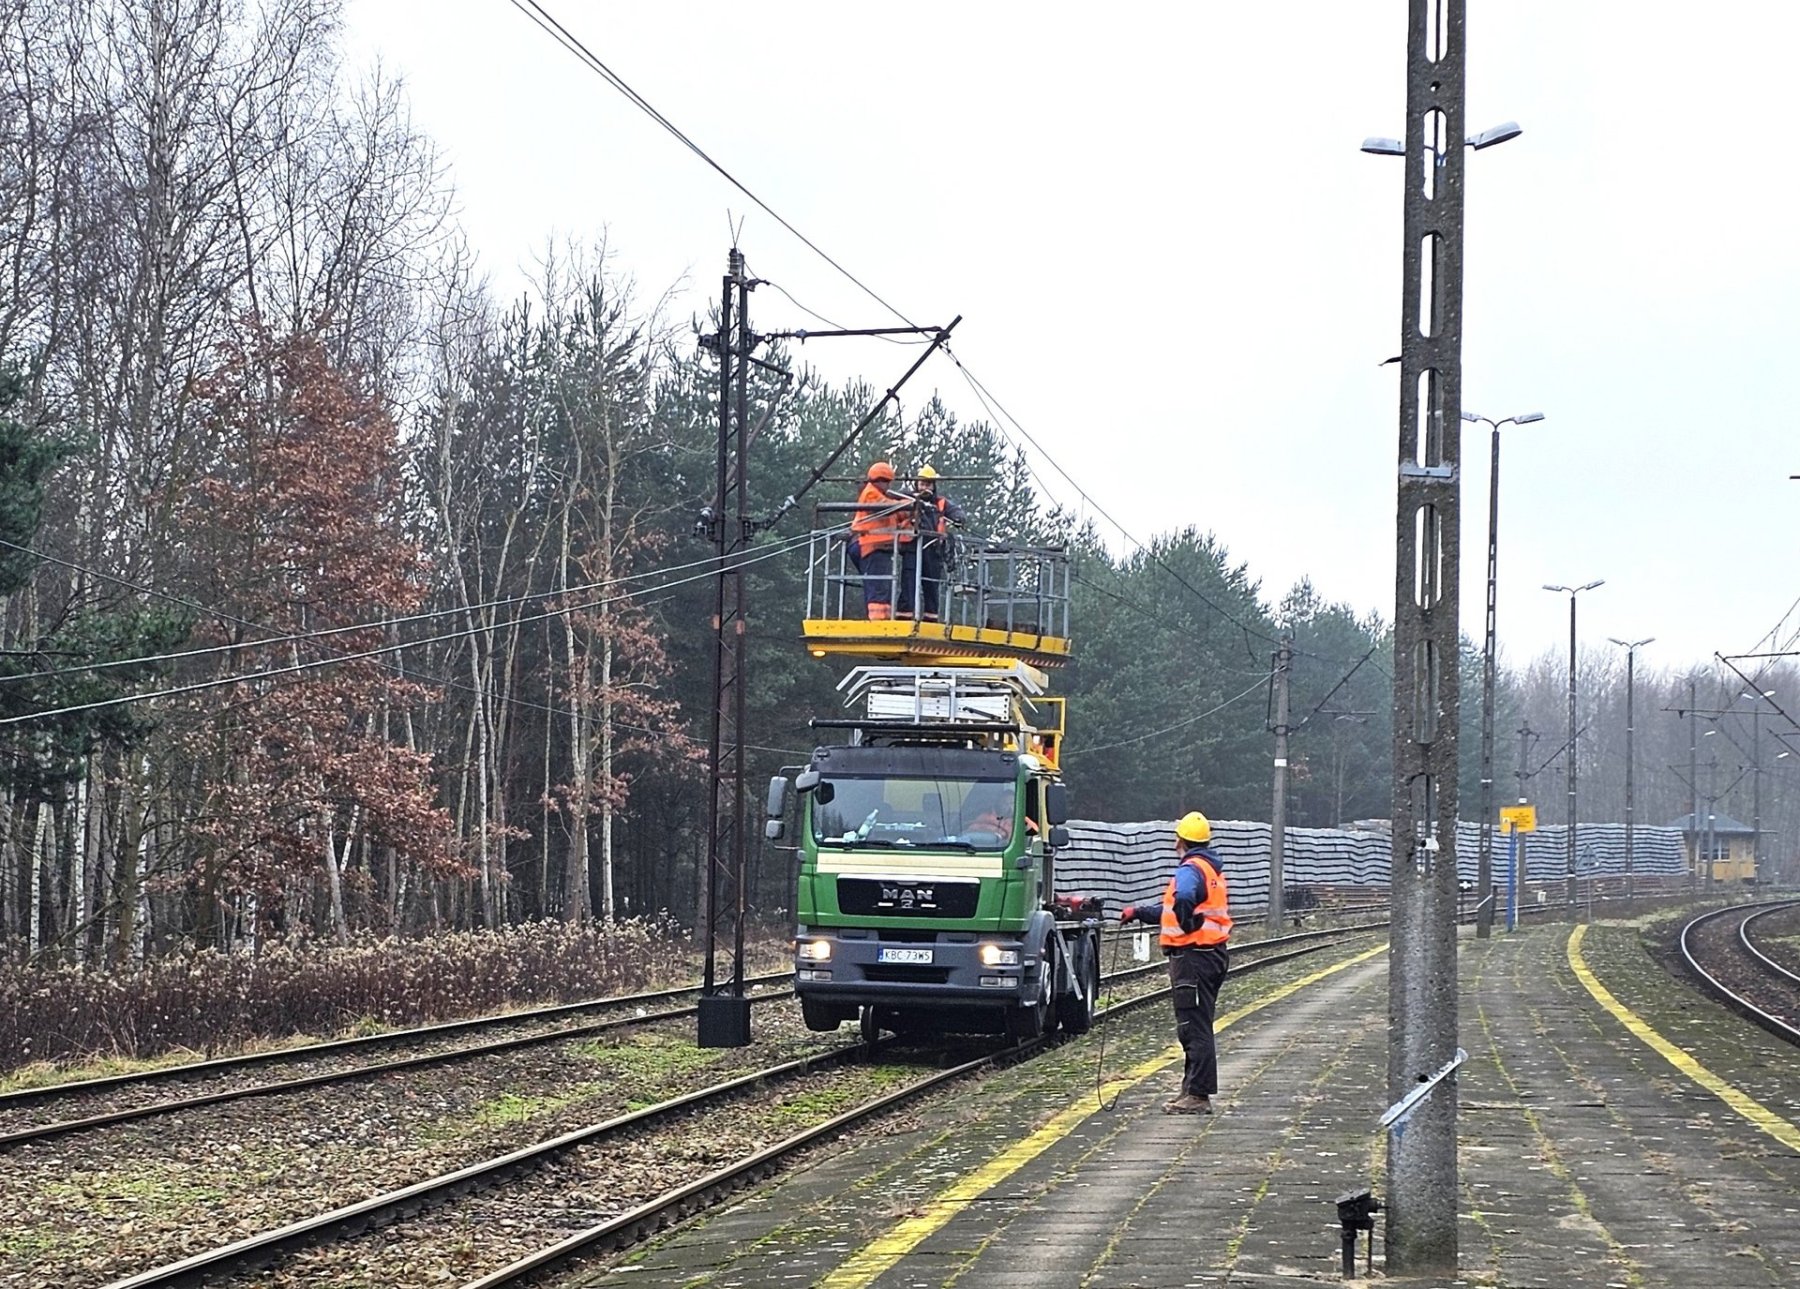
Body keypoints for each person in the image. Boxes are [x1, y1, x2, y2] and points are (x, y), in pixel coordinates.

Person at [1121, 811, 1231, 1114]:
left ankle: (1198, 1095)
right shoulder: (1210, 869)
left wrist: (1186, 924)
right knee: (1197, 1023)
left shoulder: (1189, 869)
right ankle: (1191, 1089)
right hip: (1211, 955)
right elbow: (1173, 908)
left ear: (1180, 840)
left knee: (1193, 1026)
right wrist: (1140, 912)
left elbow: (1182, 900)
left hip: (1193, 958)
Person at [851, 461, 915, 620]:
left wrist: (910, 511)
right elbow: (886, 508)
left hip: (878, 548)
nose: (888, 486)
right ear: (880, 480)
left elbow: (895, 515)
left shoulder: (880, 495)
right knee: (878, 587)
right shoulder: (871, 493)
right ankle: (878, 622)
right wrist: (907, 503)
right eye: (887, 482)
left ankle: (883, 618)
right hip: (870, 545)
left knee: (881, 586)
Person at [912, 464, 965, 623]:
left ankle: (931, 617)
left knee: (931, 585)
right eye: (922, 483)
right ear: (917, 484)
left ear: (934, 485)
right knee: (909, 582)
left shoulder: (941, 503)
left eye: (928, 484)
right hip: (913, 548)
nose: (925, 487)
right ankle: (907, 614)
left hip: (934, 549)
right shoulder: (909, 499)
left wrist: (958, 518)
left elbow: (956, 511)